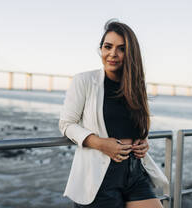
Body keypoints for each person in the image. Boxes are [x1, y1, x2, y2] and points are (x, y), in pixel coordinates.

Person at [59, 20, 163, 208]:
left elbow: (138, 126)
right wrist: (100, 144)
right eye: (108, 47)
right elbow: (66, 124)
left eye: (121, 49)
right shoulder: (84, 81)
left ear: (130, 54)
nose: (113, 54)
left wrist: (142, 141)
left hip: (135, 171)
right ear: (101, 49)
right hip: (100, 176)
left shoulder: (138, 86)